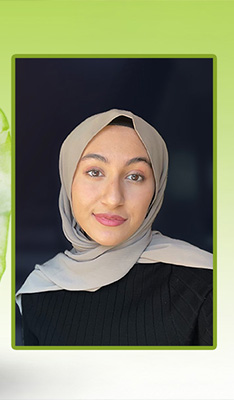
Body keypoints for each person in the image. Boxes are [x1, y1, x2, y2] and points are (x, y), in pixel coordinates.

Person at [16, 109, 213, 346]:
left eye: (134, 177)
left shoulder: (205, 284)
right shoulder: (39, 292)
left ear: (156, 188)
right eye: (95, 172)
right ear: (68, 180)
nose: (113, 198)